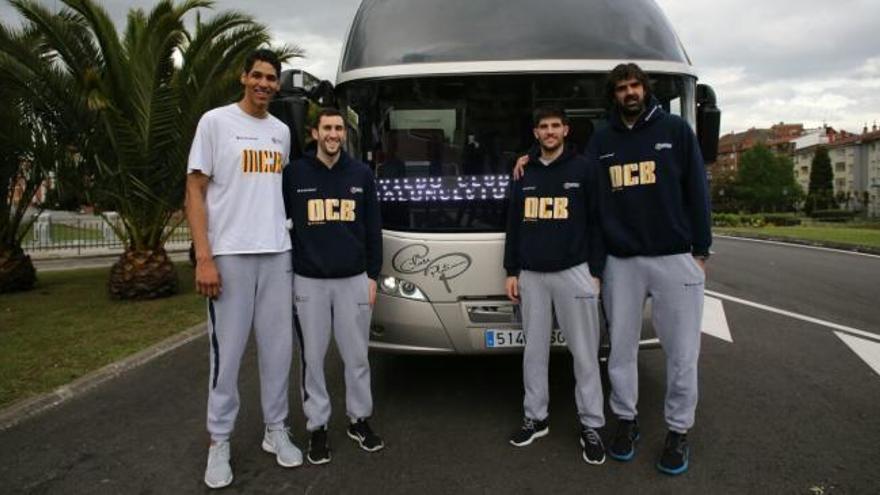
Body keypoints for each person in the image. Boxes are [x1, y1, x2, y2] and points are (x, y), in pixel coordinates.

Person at [186, 49, 302, 489]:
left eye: (271, 78)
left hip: (277, 253)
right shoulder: (215, 123)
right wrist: (204, 256)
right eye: (257, 76)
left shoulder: (281, 132)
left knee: (278, 351)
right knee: (227, 354)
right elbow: (195, 191)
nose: (264, 84)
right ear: (243, 77)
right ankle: (219, 441)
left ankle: (277, 429)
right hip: (229, 256)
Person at [590, 63, 711, 475]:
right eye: (622, 87)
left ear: (646, 89)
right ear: (615, 94)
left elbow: (697, 189)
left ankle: (678, 431)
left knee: (682, 354)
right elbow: (584, 189)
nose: (629, 93)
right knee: (620, 351)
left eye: (635, 85)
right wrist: (531, 157)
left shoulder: (675, 130)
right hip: (621, 263)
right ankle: (626, 420)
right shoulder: (601, 139)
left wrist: (701, 251)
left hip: (673, 257)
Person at [503, 106, 607, 465]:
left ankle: (591, 424)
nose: (549, 132)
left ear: (565, 130)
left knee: (584, 353)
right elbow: (513, 224)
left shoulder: (585, 168)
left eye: (555, 126)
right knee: (534, 351)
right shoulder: (523, 171)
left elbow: (597, 222)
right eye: (543, 127)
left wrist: (596, 270)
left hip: (574, 270)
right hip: (532, 274)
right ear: (535, 133)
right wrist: (511, 269)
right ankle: (536, 417)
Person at [282, 108, 384, 465]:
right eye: (327, 127)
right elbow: (278, 221)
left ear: (345, 134)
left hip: (353, 281)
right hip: (309, 282)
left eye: (339, 128)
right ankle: (318, 427)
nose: (333, 134)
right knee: (313, 358)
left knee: (357, 357)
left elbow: (373, 229)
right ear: (314, 133)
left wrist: (372, 276)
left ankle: (359, 420)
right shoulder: (294, 174)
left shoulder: (361, 174)